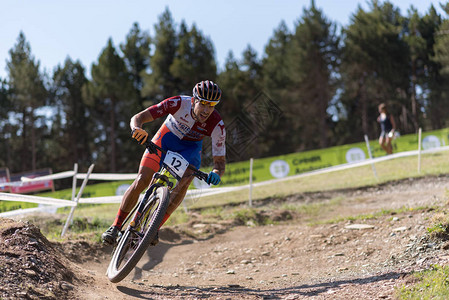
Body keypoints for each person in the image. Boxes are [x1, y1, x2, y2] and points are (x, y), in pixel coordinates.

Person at [102, 80, 226, 245]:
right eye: (203, 104)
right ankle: (115, 226)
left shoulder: (217, 125)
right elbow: (138, 117)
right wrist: (136, 129)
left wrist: (216, 174)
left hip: (189, 150)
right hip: (165, 140)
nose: (206, 110)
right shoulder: (178, 103)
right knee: (142, 180)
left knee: (184, 182)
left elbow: (220, 163)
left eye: (211, 106)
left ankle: (153, 229)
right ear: (194, 100)